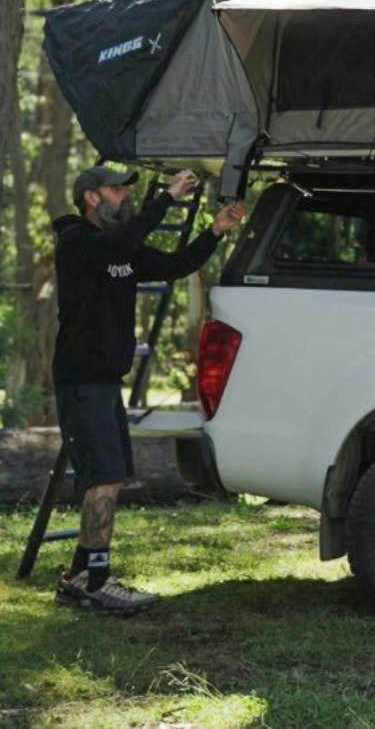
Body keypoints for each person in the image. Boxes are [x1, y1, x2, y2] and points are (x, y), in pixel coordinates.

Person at [50, 165, 245, 614]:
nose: (124, 196)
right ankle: (95, 583)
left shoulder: (121, 251)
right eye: (116, 189)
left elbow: (176, 265)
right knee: (104, 480)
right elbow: (116, 243)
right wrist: (167, 199)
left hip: (104, 383)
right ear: (91, 198)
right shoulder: (78, 242)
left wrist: (215, 230)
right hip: (82, 381)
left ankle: (82, 576)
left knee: (108, 478)